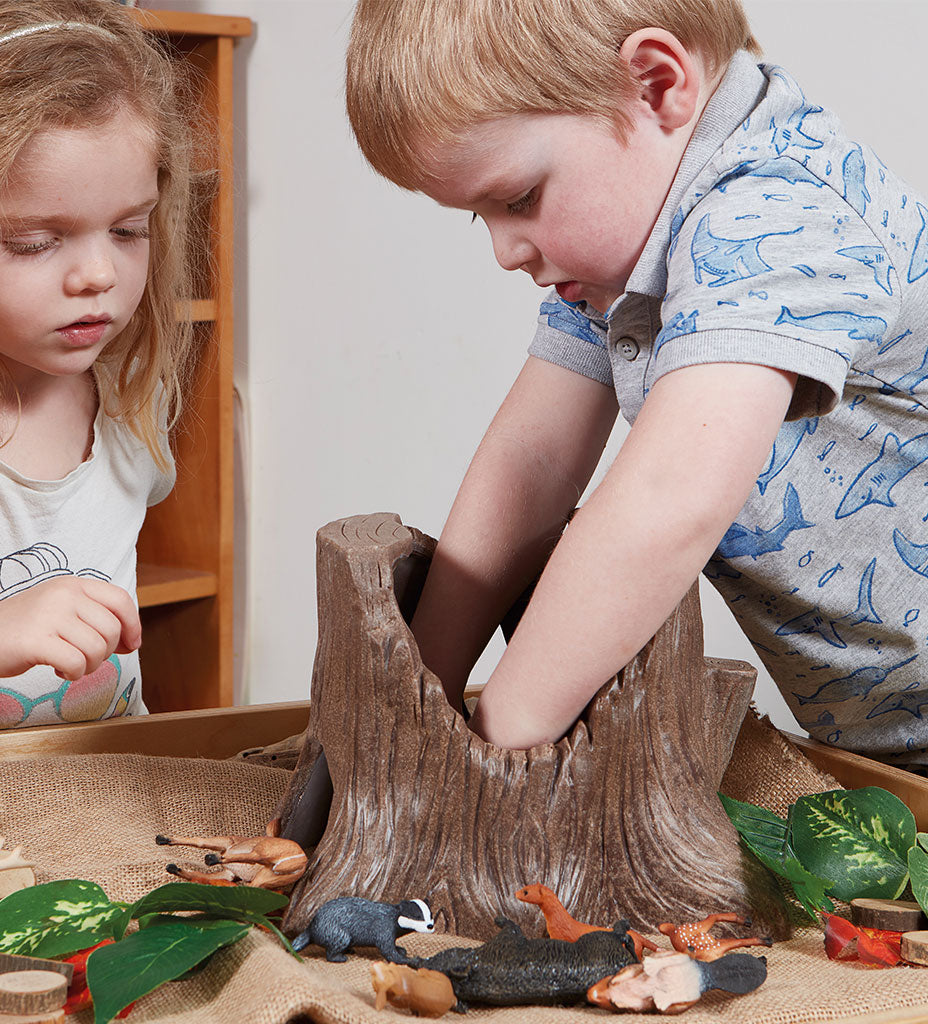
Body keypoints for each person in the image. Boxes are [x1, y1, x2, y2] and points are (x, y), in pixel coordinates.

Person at [345, 0, 928, 768]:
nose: (505, 250)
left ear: (656, 84)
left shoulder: (779, 213)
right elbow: (531, 462)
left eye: (518, 199)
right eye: (478, 217)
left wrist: (492, 748)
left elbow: (668, 498)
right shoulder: (635, 253)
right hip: (882, 742)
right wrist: (419, 696)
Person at [0, 0, 197, 734]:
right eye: (36, 242)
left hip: (96, 802)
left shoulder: (133, 400)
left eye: (129, 230)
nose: (98, 273)